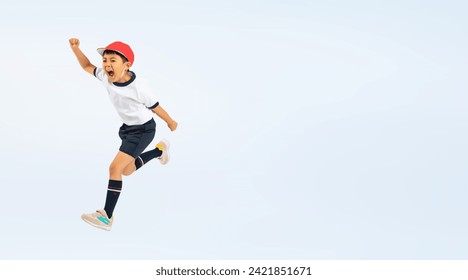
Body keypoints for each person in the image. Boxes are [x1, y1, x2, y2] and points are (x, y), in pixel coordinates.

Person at [69, 38, 178, 231]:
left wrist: (170, 121)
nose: (107, 64)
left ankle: (106, 216)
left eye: (113, 60)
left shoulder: (140, 87)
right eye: (105, 60)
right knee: (126, 170)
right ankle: (159, 151)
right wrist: (76, 49)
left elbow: (156, 107)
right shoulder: (104, 75)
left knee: (114, 169)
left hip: (143, 130)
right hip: (127, 129)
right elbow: (86, 65)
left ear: (126, 65)